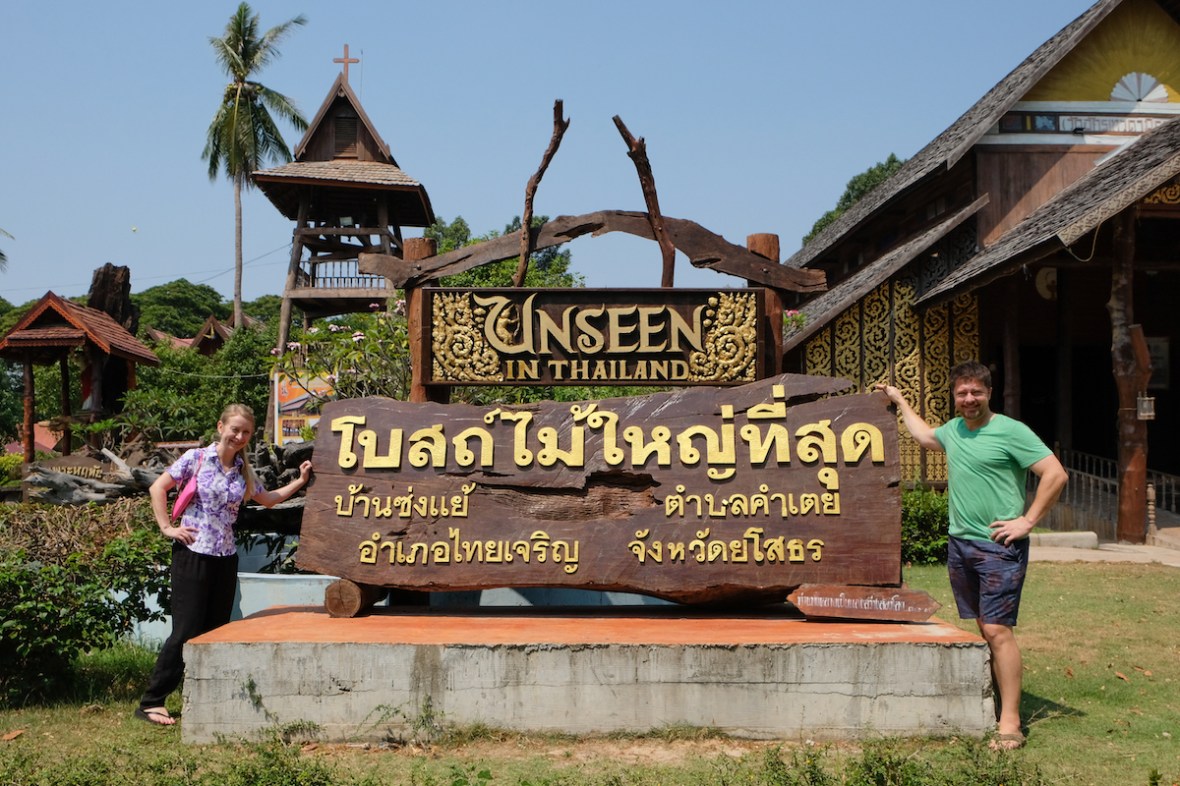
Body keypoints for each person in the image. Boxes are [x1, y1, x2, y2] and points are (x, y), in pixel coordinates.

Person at [875, 362, 1067, 751]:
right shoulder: (955, 430)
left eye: (976, 392)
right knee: (985, 627)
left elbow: (1055, 474)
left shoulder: (1011, 431)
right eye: (962, 393)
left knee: (998, 630)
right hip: (961, 544)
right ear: (955, 395)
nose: (969, 399)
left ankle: (1010, 722)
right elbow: (927, 437)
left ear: (988, 393)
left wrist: (1027, 520)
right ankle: (1001, 699)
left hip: (999, 546)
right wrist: (898, 400)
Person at [135, 403, 313, 727]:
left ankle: (202, 696)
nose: (240, 436)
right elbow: (158, 487)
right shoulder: (196, 459)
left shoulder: (243, 470)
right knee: (186, 630)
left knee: (214, 629)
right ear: (221, 427)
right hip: (193, 553)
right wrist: (166, 528)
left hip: (225, 557)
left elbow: (269, 498)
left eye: (246, 432)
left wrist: (300, 482)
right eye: (235, 429)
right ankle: (152, 701)